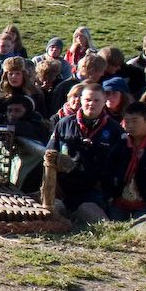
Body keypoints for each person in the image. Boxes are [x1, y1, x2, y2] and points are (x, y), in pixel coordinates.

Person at [47, 83, 124, 217]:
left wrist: (111, 189)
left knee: (91, 216)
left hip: (96, 191)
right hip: (65, 188)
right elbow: (50, 155)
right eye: (88, 100)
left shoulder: (114, 129)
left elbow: (121, 163)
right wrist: (52, 181)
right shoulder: (64, 124)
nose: (91, 104)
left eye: (96, 100)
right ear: (81, 100)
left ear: (104, 101)